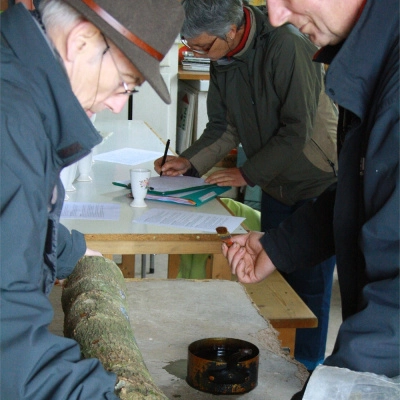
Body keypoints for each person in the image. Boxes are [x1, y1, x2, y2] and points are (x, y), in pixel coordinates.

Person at [0, 0, 184, 398]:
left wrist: (70, 252)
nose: (119, 103)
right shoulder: (11, 123)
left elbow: (14, 215)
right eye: (125, 82)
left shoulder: (19, 95)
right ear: (81, 42)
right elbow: (11, 356)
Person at [223, 0, 399, 396]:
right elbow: (365, 195)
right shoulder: (372, 58)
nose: (275, 16)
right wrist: (278, 244)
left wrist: (330, 389)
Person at [154, 0, 338, 371]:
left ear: (233, 30)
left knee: (307, 293)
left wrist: (247, 174)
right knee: (272, 284)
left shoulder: (285, 44)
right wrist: (189, 161)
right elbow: (224, 126)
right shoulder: (221, 54)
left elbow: (296, 131)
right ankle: (275, 364)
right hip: (275, 185)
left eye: (203, 47)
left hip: (314, 180)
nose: (198, 54)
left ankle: (307, 372)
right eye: (192, 46)